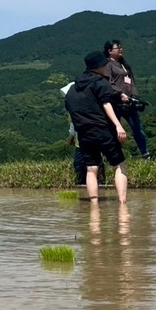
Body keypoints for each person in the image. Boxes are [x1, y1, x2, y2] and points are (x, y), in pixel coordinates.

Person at [64, 51, 130, 203]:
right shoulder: (100, 83)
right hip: (103, 131)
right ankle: (122, 203)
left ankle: (94, 205)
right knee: (119, 165)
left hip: (84, 134)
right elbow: (106, 103)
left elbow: (71, 110)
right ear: (98, 66)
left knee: (91, 168)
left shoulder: (72, 90)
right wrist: (118, 125)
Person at [102, 40, 151, 159]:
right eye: (117, 48)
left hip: (130, 103)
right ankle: (112, 156)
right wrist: (120, 94)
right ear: (109, 51)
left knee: (138, 129)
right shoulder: (108, 65)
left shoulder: (124, 65)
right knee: (114, 131)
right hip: (116, 103)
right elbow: (109, 82)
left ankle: (145, 154)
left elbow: (132, 82)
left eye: (121, 48)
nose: (121, 50)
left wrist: (134, 97)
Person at [60, 81, 89, 186]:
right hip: (80, 141)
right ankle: (83, 185)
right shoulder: (73, 109)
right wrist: (71, 137)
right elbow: (73, 125)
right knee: (79, 164)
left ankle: (95, 184)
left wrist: (70, 137)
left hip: (87, 140)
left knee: (90, 164)